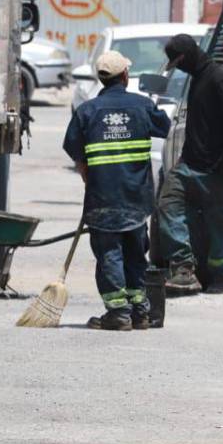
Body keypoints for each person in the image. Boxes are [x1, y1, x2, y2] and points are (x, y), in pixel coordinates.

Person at [63, 52, 171, 331]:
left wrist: (85, 170)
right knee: (136, 253)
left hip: (103, 199)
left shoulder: (88, 111)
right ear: (124, 76)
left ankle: (120, 312)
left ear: (101, 78)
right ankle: (140, 311)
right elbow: (165, 127)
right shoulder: (142, 106)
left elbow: (73, 148)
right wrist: (150, 107)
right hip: (136, 198)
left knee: (110, 254)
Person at [157, 33, 223, 294]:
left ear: (185, 57)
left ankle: (222, 278)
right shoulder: (198, 78)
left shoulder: (219, 78)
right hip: (190, 165)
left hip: (218, 170)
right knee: (168, 203)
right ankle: (184, 269)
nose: (179, 70)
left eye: (178, 64)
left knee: (219, 223)